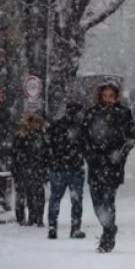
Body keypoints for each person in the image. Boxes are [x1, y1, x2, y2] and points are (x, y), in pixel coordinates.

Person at [82, 81, 135, 253]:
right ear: (99, 96)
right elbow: (83, 139)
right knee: (97, 203)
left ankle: (107, 235)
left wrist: (120, 154)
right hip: (95, 165)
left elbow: (131, 138)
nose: (108, 99)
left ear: (116, 96)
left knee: (108, 200)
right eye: (104, 96)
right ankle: (109, 227)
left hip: (113, 165)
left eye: (111, 96)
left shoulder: (124, 114)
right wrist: (90, 155)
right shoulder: (91, 113)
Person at [46, 102, 87, 239]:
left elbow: (48, 144)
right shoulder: (81, 128)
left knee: (55, 198)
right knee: (76, 200)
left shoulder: (56, 126)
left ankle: (52, 226)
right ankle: (75, 228)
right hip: (75, 168)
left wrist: (52, 160)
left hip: (58, 168)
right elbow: (86, 147)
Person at [11, 113, 50, 227]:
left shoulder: (42, 135)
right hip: (27, 168)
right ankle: (33, 216)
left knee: (38, 194)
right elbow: (15, 151)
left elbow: (47, 153)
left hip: (37, 168)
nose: (34, 125)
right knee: (30, 193)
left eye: (36, 123)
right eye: (32, 123)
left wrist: (46, 166)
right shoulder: (23, 136)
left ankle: (38, 217)